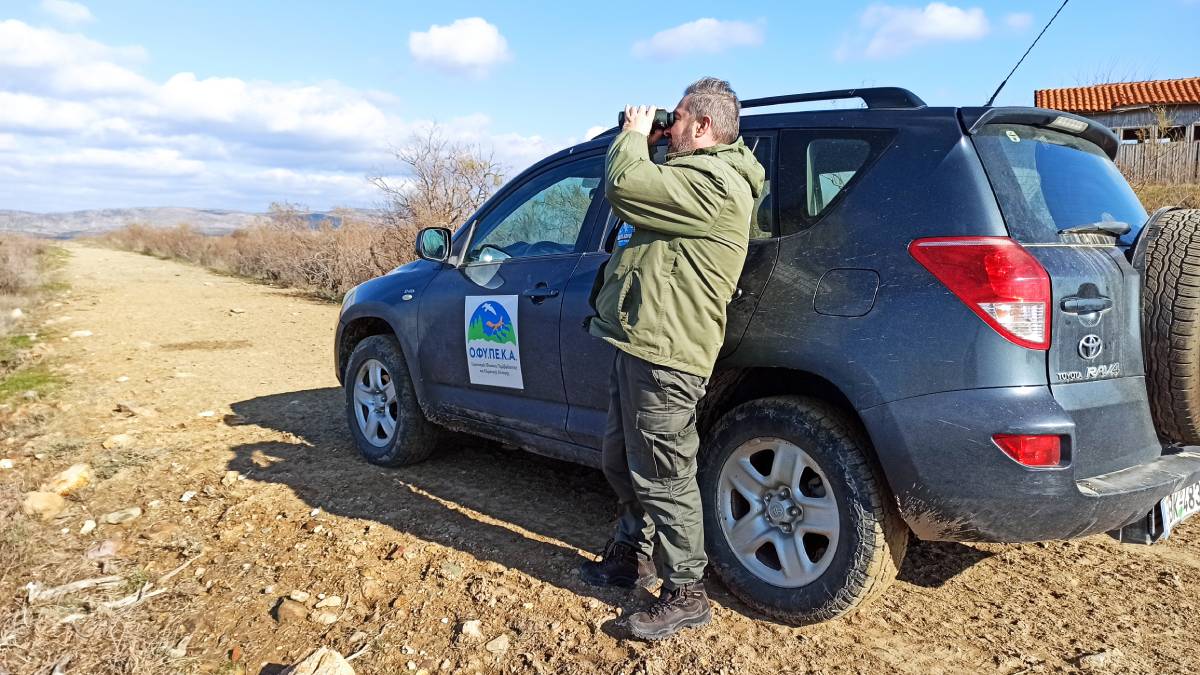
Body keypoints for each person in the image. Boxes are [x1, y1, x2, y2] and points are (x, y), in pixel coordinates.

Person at [581, 77, 765, 640]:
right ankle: (629, 554)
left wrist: (635, 136)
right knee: (621, 459)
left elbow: (627, 185)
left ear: (704, 126)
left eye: (680, 118)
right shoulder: (692, 177)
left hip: (669, 352)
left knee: (663, 472)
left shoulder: (718, 185)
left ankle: (686, 592)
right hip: (639, 342)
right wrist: (658, 139)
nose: (671, 125)